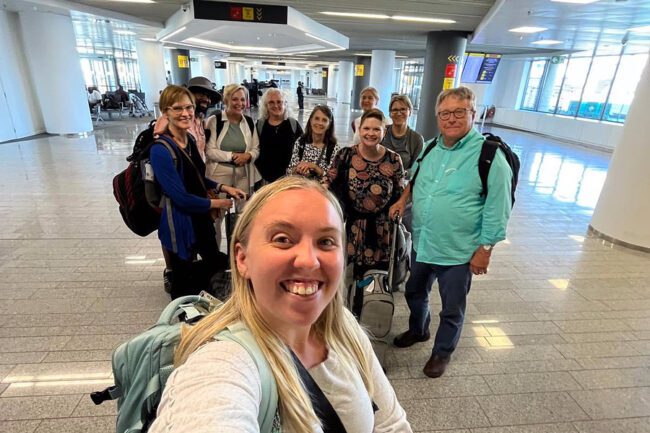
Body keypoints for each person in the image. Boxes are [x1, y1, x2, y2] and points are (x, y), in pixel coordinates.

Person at [148, 177, 413, 433]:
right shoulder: (223, 362)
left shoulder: (343, 326)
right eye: (283, 239)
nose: (309, 262)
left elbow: (391, 423)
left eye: (325, 242)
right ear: (242, 259)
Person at [389, 86, 513, 378]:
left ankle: (442, 352)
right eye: (445, 113)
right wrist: (402, 198)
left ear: (473, 113)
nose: (451, 118)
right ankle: (419, 330)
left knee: (452, 308)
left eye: (460, 112)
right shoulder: (430, 146)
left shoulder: (490, 156)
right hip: (423, 241)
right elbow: (414, 179)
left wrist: (485, 250)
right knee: (414, 291)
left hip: (459, 251)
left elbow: (499, 207)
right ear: (437, 116)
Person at [149, 85, 245, 299]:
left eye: (188, 107)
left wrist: (222, 187)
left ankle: (206, 303)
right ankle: (183, 318)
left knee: (213, 261)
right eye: (177, 108)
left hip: (200, 218)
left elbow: (197, 178)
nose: (185, 113)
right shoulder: (160, 151)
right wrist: (217, 204)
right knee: (183, 279)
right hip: (180, 224)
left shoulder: (189, 140)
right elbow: (180, 197)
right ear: (165, 112)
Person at [327, 108, 404, 280]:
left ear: (384, 132)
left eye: (376, 129)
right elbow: (328, 182)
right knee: (351, 276)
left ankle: (373, 304)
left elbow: (400, 196)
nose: (371, 133)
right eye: (366, 128)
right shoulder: (345, 155)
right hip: (353, 227)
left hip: (383, 230)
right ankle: (353, 304)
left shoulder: (393, 160)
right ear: (359, 130)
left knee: (377, 277)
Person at [205, 83, 260, 241]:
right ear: (226, 99)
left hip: (243, 174)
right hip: (219, 175)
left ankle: (239, 250)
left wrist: (248, 156)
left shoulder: (248, 122)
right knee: (217, 214)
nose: (239, 103)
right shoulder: (215, 121)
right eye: (234, 99)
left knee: (243, 215)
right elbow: (209, 150)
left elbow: (256, 148)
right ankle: (214, 253)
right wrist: (232, 156)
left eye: (242, 99)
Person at [254, 88, 303, 185]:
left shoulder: (293, 125)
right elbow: (255, 149)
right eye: (271, 102)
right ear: (266, 106)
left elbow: (303, 149)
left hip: (289, 180)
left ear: (285, 104)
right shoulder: (260, 125)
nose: (276, 105)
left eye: (279, 102)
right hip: (265, 180)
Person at [286, 105, 339, 180]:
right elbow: (289, 171)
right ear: (311, 121)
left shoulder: (334, 149)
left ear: (329, 125)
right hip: (300, 188)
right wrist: (298, 170)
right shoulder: (301, 142)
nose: (320, 123)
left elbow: (333, 178)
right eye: (316, 118)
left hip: (320, 191)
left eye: (324, 120)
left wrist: (315, 167)